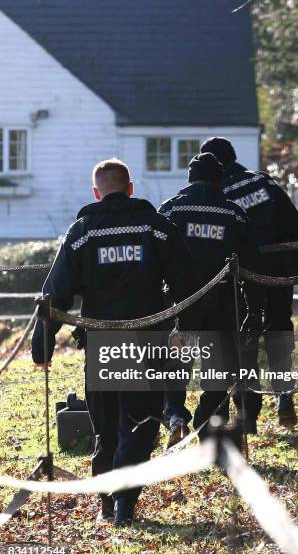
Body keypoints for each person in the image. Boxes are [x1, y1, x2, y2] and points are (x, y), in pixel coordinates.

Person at [31, 158, 201, 526]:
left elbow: (54, 294)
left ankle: (108, 500)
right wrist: (185, 326)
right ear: (130, 188)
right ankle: (124, 502)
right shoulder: (156, 227)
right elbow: (189, 282)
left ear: (96, 192)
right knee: (137, 426)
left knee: (106, 430)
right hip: (147, 340)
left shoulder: (82, 232)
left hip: (101, 344)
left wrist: (41, 347)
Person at [159, 152, 264, 446]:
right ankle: (206, 428)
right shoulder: (234, 214)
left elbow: (154, 260)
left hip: (180, 305)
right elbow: (254, 268)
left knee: (177, 363)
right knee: (218, 372)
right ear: (219, 180)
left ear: (190, 178)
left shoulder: (170, 211)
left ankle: (177, 415)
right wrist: (255, 310)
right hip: (222, 305)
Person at [200, 137, 298, 427]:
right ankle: (284, 395)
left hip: (240, 278)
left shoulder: (218, 194)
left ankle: (248, 413)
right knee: (279, 331)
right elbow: (295, 222)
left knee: (244, 339)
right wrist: (292, 264)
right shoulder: (264, 182)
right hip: (279, 271)